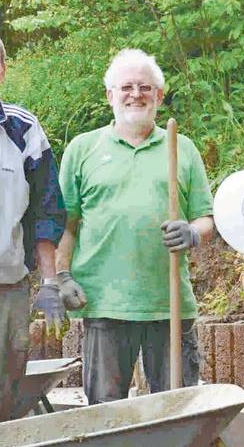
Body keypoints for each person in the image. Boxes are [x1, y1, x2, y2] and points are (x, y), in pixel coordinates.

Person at [55, 49, 214, 413]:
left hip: (168, 304)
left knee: (177, 412)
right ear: (110, 95)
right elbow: (67, 225)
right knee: (105, 412)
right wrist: (62, 276)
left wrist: (192, 233)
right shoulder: (82, 149)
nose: (136, 94)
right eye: (126, 87)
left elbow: (205, 218)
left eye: (145, 87)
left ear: (159, 95)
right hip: (104, 303)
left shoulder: (182, 148)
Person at [0, 27, 66, 426]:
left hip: (4, 288)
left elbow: (46, 209)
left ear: (3, 71)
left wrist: (50, 283)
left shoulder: (23, 129)